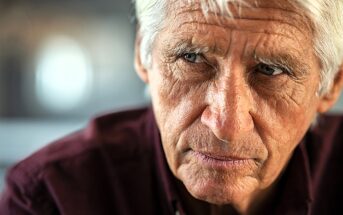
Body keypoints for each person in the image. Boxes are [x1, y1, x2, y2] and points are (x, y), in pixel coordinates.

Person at [1, 0, 343, 214]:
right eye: (191, 58)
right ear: (143, 56)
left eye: (270, 70)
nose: (225, 123)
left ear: (330, 85)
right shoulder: (52, 199)